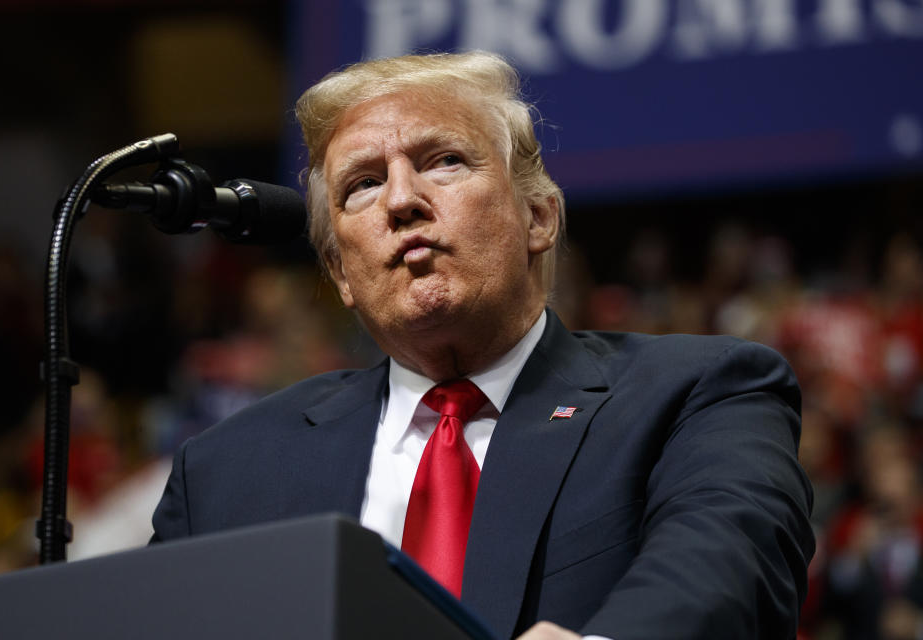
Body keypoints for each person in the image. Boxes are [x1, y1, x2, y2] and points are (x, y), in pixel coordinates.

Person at [151, 51, 815, 639]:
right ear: (340, 274)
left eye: (444, 161)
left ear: (539, 217)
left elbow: (727, 567)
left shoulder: (696, 396)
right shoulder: (225, 474)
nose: (402, 200)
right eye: (364, 184)